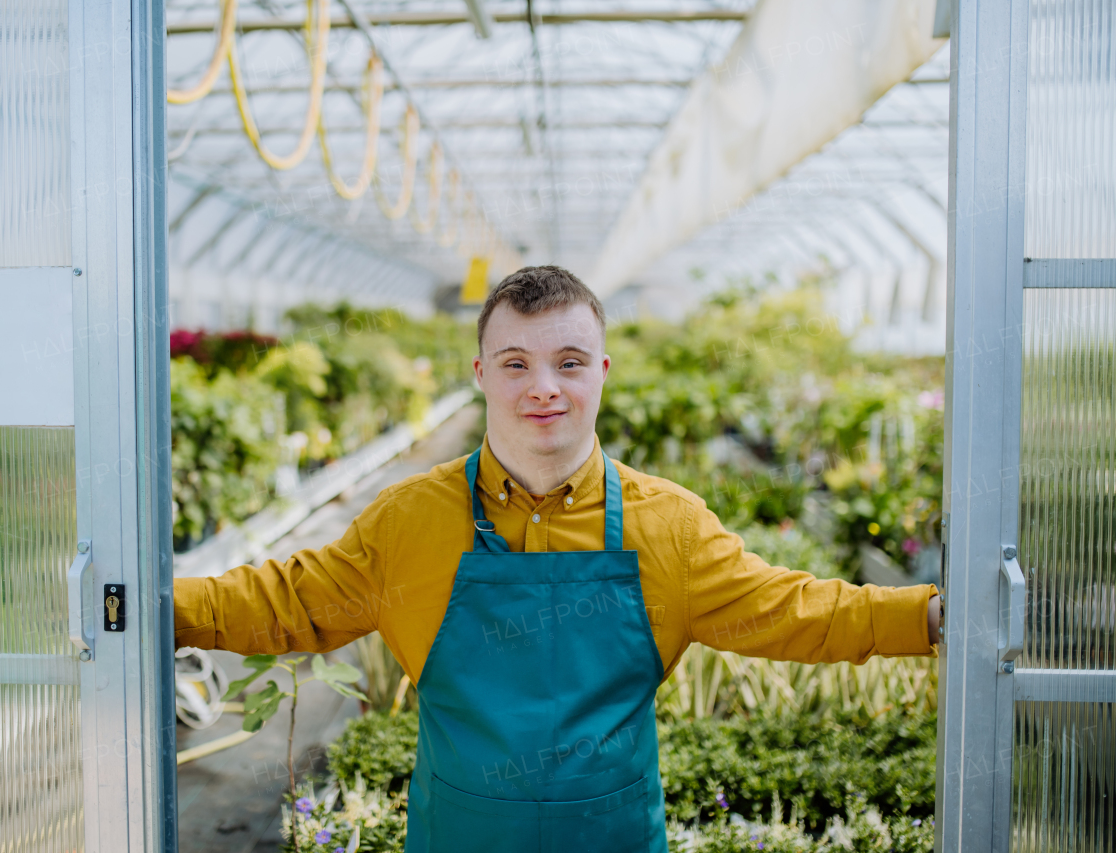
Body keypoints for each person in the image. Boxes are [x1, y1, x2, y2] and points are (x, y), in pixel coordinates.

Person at [173, 265, 941, 853]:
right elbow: (287, 599)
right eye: (515, 363)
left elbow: (792, 611)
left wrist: (930, 614)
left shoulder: (667, 527)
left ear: (602, 374)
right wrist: (159, 605)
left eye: (570, 362)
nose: (544, 387)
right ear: (480, 376)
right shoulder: (410, 521)